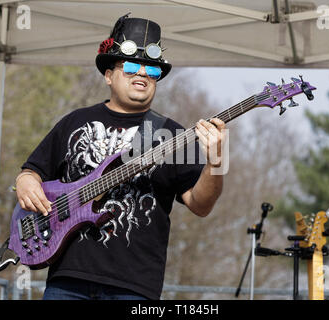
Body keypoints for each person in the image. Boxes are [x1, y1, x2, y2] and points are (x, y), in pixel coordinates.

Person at [14, 14, 226, 300]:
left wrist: (216, 162)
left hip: (135, 286)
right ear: (109, 74)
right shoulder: (75, 121)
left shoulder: (173, 135)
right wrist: (26, 180)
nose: (141, 73)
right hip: (68, 278)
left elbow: (200, 205)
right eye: (130, 65)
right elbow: (32, 171)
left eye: (152, 70)